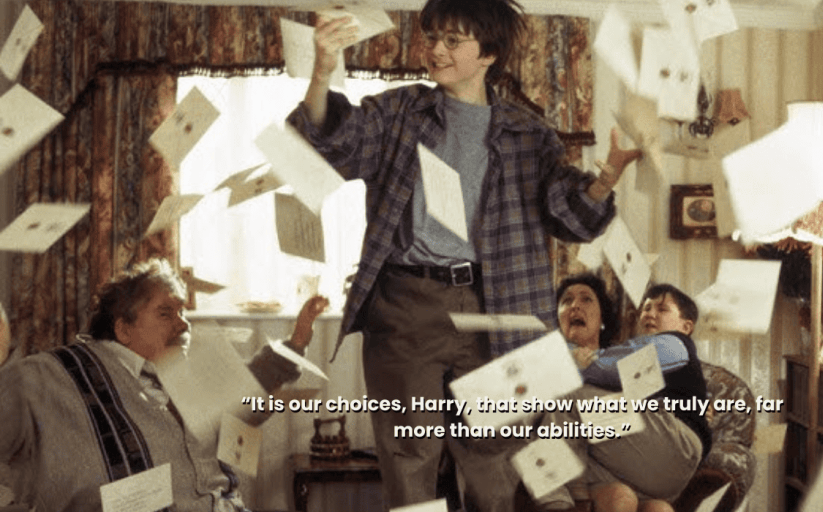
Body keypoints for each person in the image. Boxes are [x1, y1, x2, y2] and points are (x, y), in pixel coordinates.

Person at [286, 1, 642, 510]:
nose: (436, 49)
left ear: (489, 54)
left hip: (497, 304)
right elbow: (332, 145)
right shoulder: (398, 112)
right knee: (411, 453)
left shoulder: (529, 135)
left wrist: (606, 178)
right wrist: (322, 72)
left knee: (493, 458)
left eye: (453, 41)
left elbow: (571, 219)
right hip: (407, 304)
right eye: (431, 36)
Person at [0, 258, 329, 512]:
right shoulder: (52, 375)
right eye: (165, 313)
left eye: (182, 311)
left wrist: (296, 342)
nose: (183, 324)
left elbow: (248, 390)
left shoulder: (182, 371)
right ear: (124, 329)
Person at [544, 275, 711, 512]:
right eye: (646, 308)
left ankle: (555, 500)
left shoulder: (675, 344)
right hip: (645, 469)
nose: (650, 314)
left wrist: (578, 366)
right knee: (651, 507)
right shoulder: (627, 357)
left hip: (671, 446)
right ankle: (568, 492)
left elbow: (617, 369)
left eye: (662, 309)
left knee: (569, 397)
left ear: (686, 327)